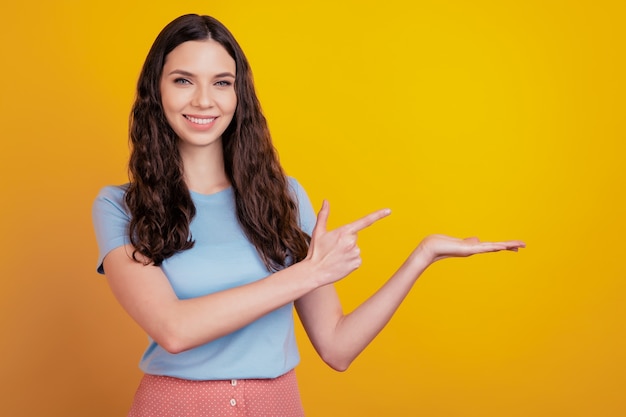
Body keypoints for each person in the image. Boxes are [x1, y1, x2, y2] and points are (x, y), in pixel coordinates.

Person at [92, 13, 525, 417]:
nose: (204, 100)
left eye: (222, 83)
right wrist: (308, 273)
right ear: (157, 89)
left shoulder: (283, 197)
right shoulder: (120, 207)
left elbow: (337, 347)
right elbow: (174, 330)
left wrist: (422, 257)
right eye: (183, 80)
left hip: (277, 404)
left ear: (239, 94)